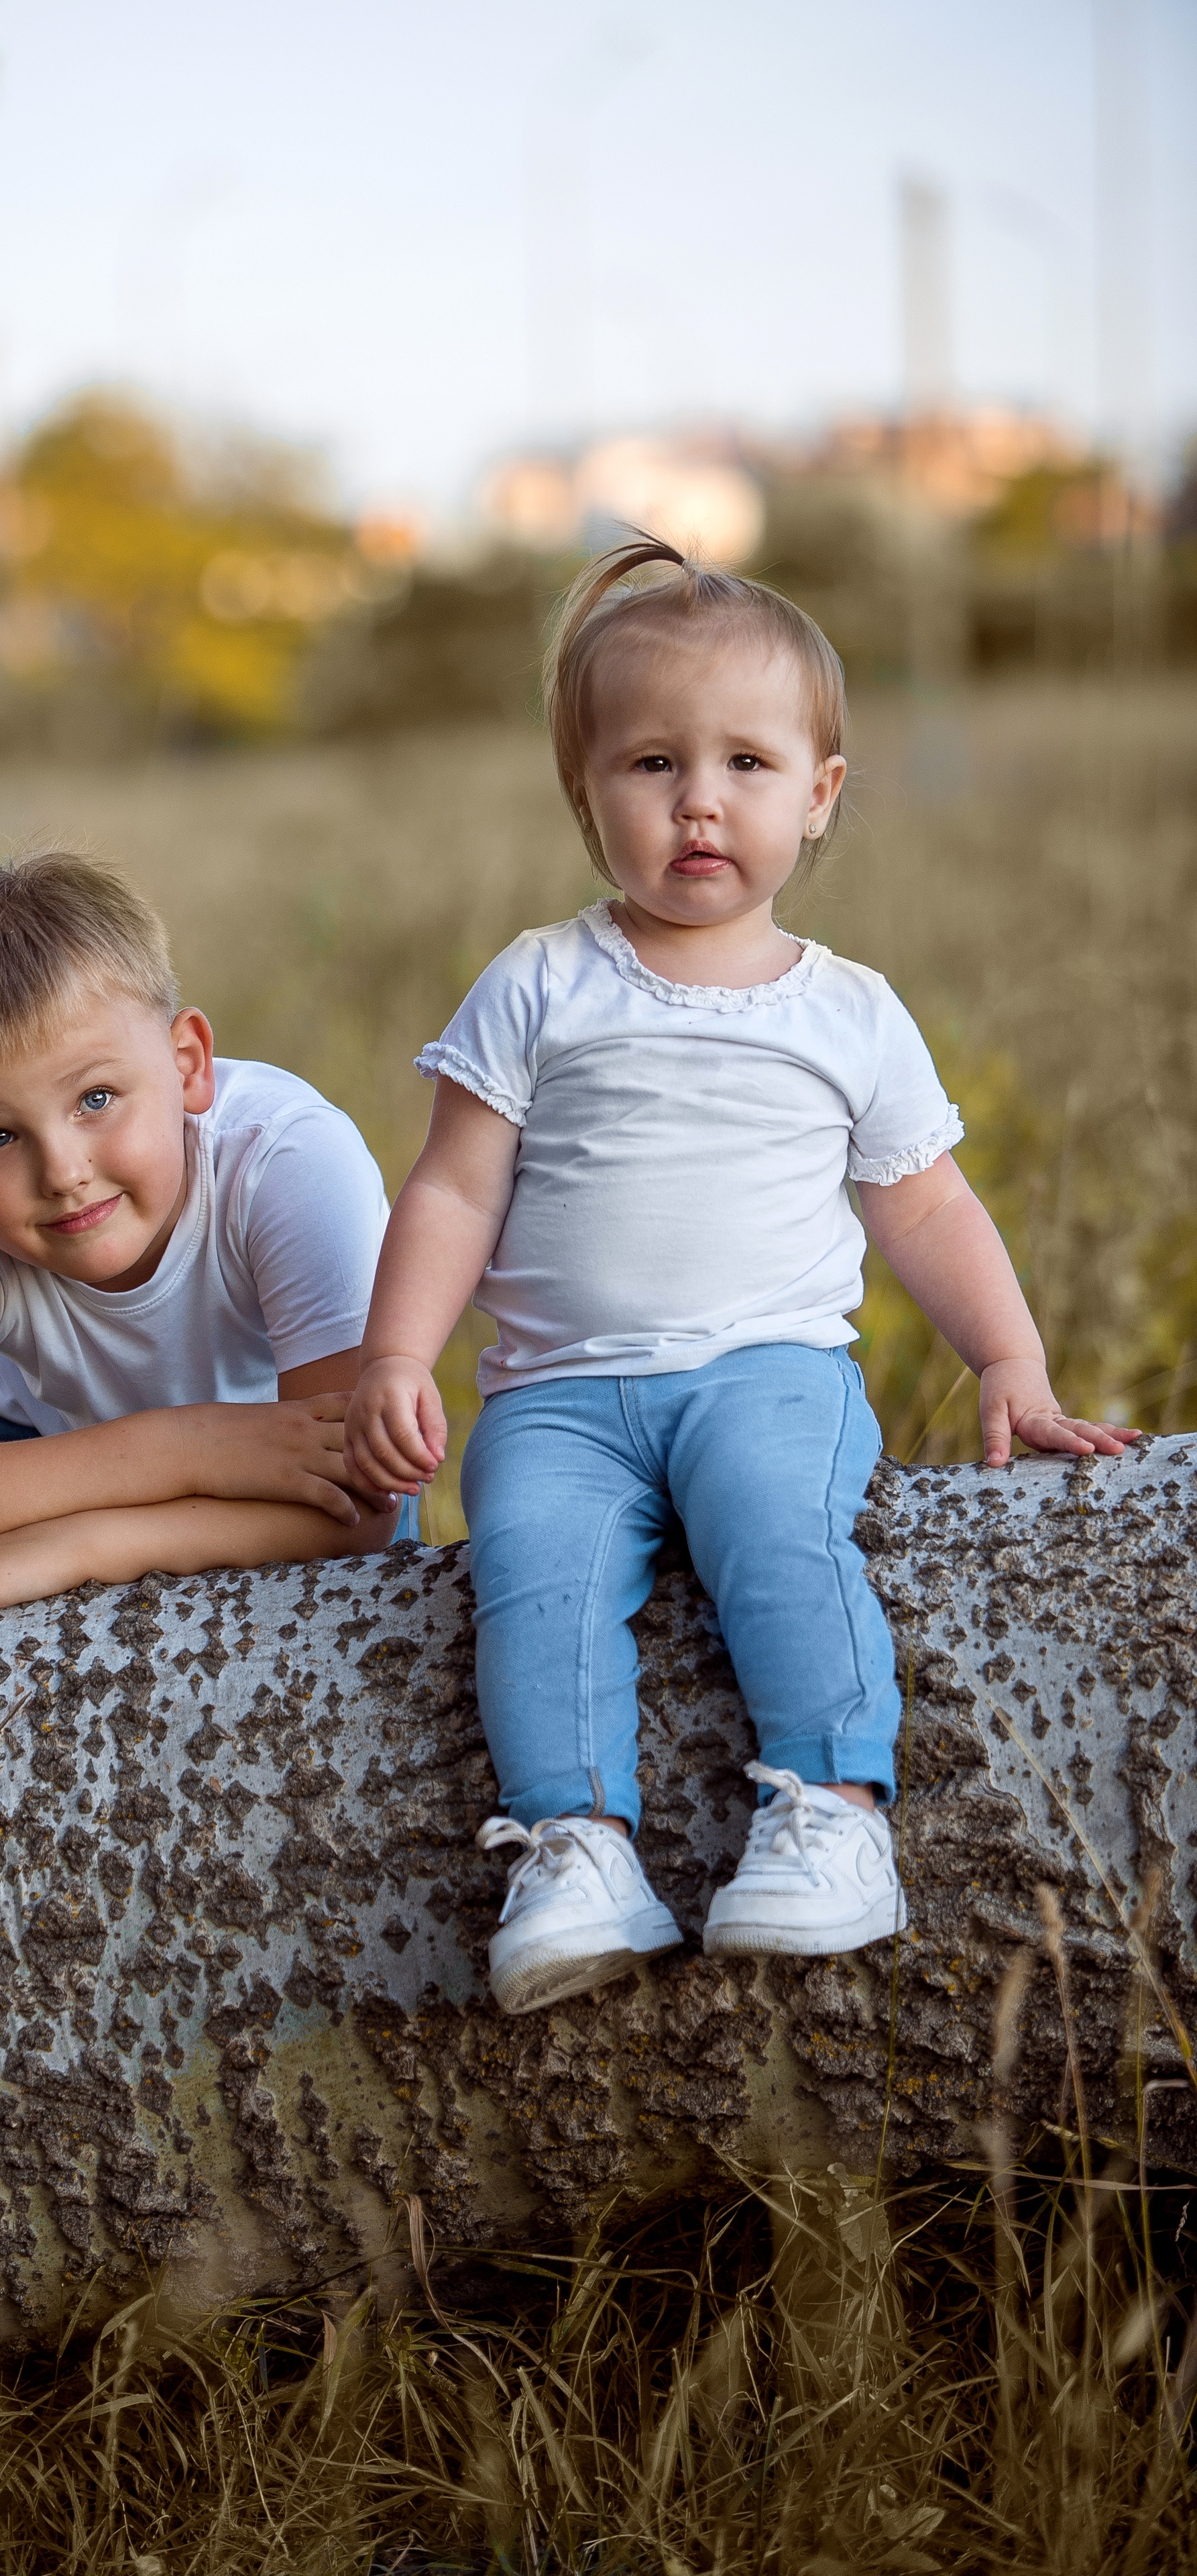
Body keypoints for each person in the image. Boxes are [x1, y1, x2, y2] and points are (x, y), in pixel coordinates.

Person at [343, 535, 1136, 2017]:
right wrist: (395, 1356)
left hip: (767, 1371)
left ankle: (832, 1810)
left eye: (745, 764)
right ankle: (575, 1847)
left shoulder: (848, 1012)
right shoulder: (539, 982)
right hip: (558, 1396)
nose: (697, 800)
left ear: (817, 795)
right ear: (586, 790)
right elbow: (452, 1186)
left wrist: (1006, 1359)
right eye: (651, 764)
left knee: (783, 1535)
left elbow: (926, 1206)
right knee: (531, 1575)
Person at [0, 849, 402, 1625]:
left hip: (281, 1465)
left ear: (188, 1064)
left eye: (95, 1099)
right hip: (39, 1442)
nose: (63, 1173)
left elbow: (359, 1506)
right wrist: (186, 1447)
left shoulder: (286, 1159)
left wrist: (79, 1549)